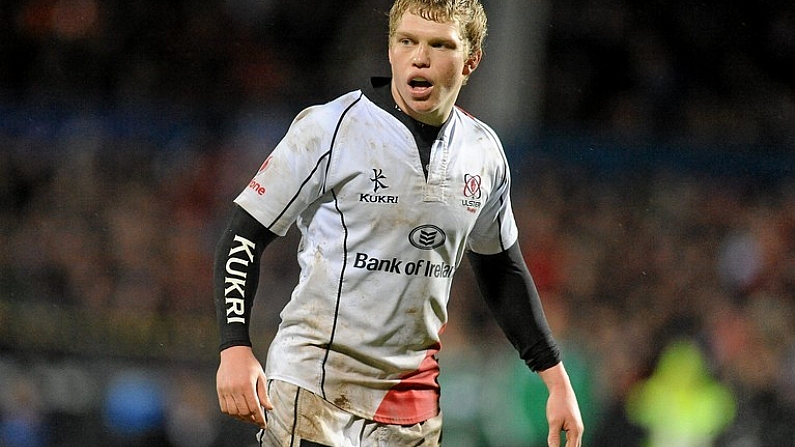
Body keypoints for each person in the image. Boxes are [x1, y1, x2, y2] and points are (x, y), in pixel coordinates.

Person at [213, 0, 584, 446]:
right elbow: (242, 237)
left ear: (471, 61)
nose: (419, 57)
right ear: (390, 51)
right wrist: (234, 345)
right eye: (406, 41)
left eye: (439, 45)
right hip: (314, 390)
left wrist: (556, 379)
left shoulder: (483, 154)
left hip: (412, 410)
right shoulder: (331, 129)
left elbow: (501, 270)